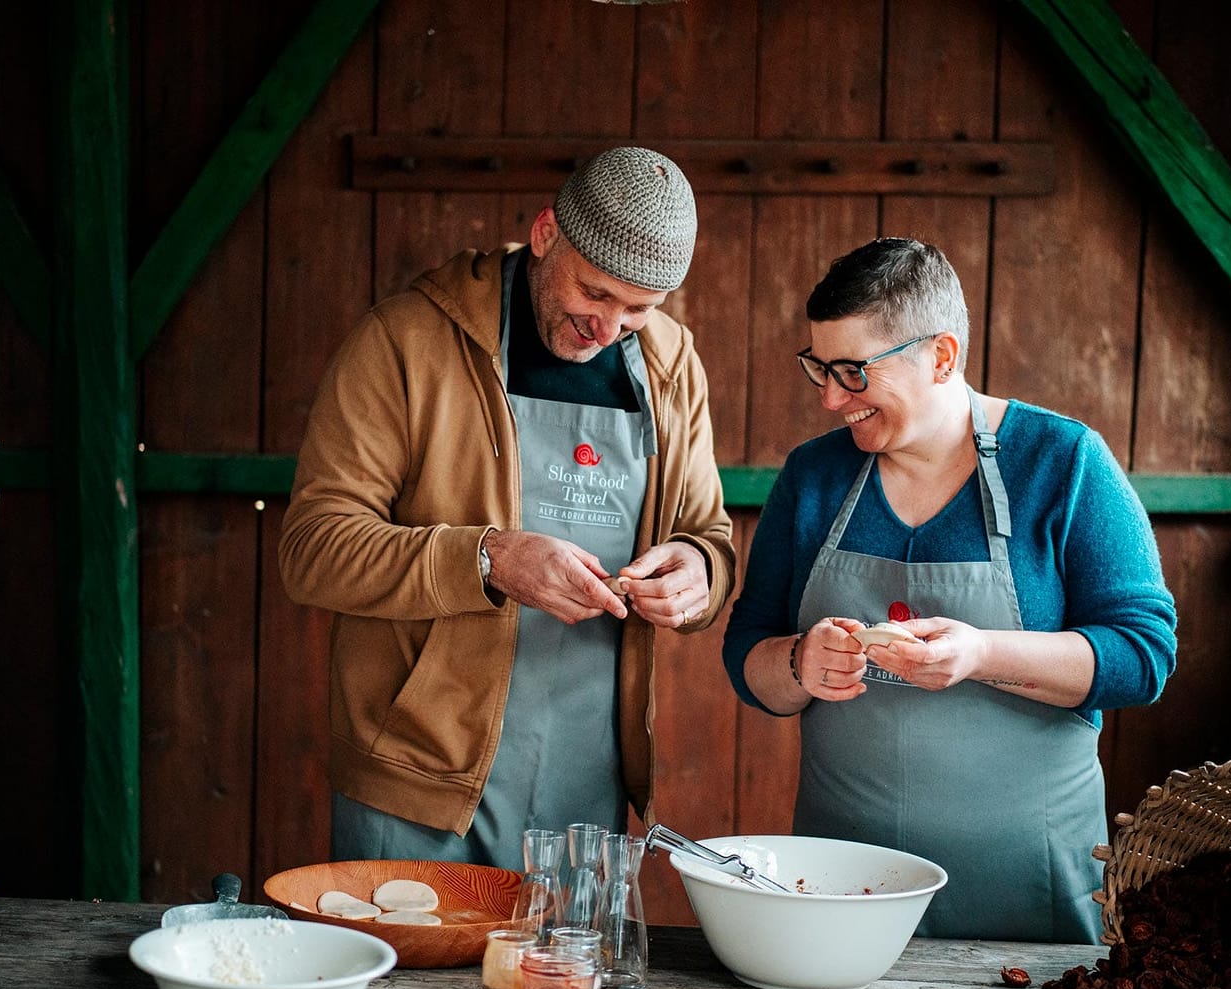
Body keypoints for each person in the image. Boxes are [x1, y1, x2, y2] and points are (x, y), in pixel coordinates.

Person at [279, 146, 735, 872]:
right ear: (547, 233)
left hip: (589, 789)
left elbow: (706, 531)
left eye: (639, 310)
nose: (609, 329)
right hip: (419, 783)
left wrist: (699, 571)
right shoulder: (405, 342)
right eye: (595, 294)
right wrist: (488, 559)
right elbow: (314, 550)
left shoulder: (673, 362)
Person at [721, 238, 1177, 943]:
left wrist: (983, 654)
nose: (830, 398)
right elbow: (748, 652)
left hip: (1031, 894)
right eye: (819, 367)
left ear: (941, 356)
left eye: (853, 372)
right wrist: (797, 665)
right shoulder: (813, 477)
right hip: (844, 888)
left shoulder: (1064, 463)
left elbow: (1143, 657)